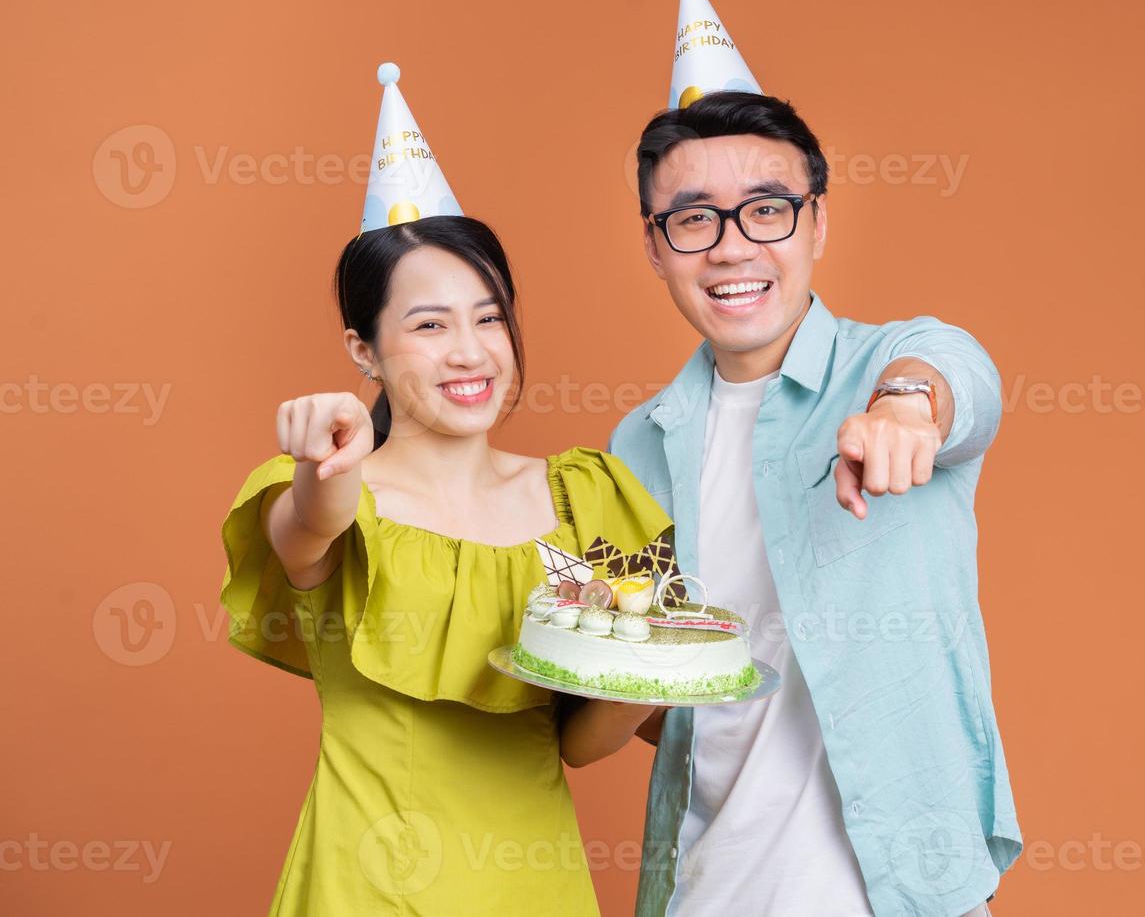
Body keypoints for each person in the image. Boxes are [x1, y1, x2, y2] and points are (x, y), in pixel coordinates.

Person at [218, 65, 661, 915]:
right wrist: (325, 463)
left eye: (488, 316)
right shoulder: (327, 492)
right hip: (363, 888)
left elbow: (582, 744)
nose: (470, 351)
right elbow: (307, 532)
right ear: (363, 350)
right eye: (428, 325)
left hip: (536, 888)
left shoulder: (582, 499)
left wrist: (643, 669)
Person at [612, 87, 1021, 916]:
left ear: (817, 223)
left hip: (899, 892)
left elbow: (954, 374)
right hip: (705, 887)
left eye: (766, 210)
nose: (731, 250)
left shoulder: (893, 362)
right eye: (693, 220)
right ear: (655, 248)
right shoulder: (637, 445)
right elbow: (650, 701)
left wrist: (907, 407)